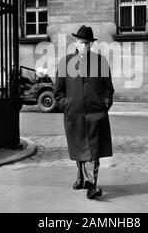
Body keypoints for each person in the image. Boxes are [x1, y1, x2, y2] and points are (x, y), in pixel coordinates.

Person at [54, 25, 114, 199]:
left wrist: (105, 103)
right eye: (82, 43)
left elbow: (108, 89)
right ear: (76, 43)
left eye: (89, 44)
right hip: (74, 113)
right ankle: (81, 178)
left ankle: (91, 186)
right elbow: (58, 91)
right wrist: (66, 104)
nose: (85, 47)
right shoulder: (65, 62)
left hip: (96, 114)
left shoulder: (100, 62)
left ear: (92, 44)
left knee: (92, 150)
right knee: (79, 147)